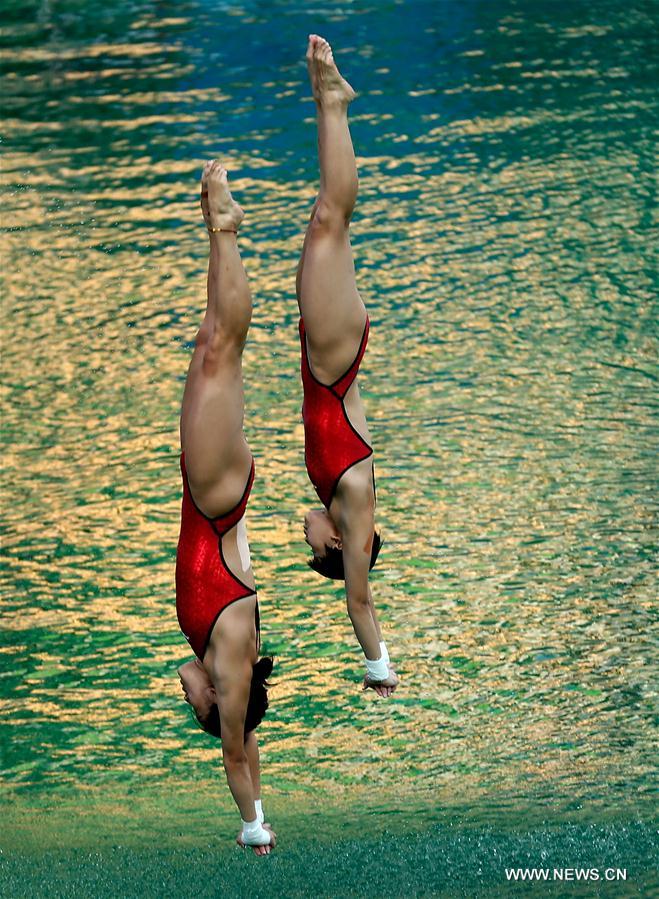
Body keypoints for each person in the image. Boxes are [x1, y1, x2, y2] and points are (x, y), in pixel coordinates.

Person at [176, 160, 276, 855]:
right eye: (198, 712)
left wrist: (222, 707)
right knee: (221, 350)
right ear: (220, 707)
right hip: (214, 498)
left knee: (215, 346)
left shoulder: (210, 657)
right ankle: (225, 231)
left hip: (212, 495)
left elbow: (186, 678)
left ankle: (222, 233)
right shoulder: (231, 666)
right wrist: (253, 824)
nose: (187, 700)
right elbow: (237, 753)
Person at [297, 36, 399, 698]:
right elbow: (358, 602)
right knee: (331, 219)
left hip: (327, 357)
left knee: (324, 222)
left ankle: (331, 105)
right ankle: (333, 103)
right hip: (335, 360)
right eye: (310, 547)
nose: (301, 537)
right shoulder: (351, 509)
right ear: (335, 545)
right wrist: (377, 670)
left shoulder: (335, 497)